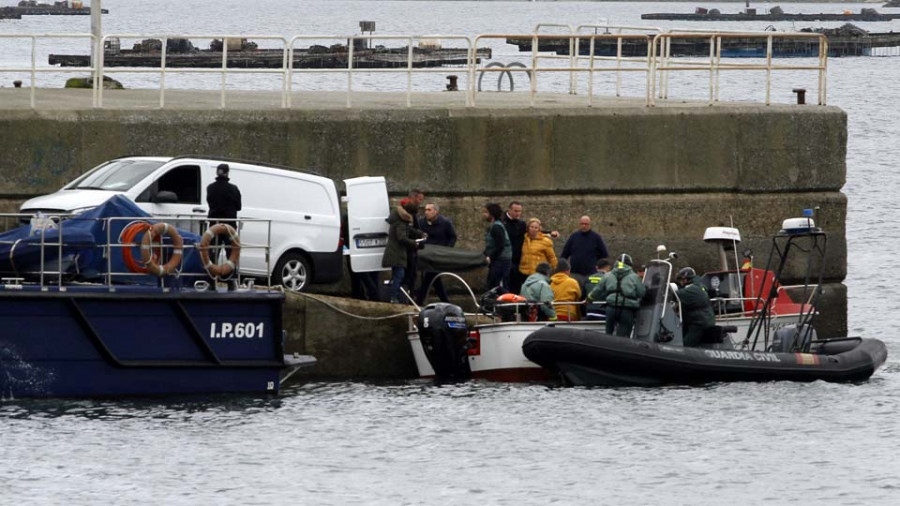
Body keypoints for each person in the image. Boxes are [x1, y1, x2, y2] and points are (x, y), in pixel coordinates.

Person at [206, 163, 242, 287]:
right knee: (230, 253)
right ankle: (231, 281)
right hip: (229, 226)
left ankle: (211, 281)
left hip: (214, 226)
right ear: (227, 173)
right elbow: (239, 207)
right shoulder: (234, 189)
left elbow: (210, 203)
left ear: (217, 173)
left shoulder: (210, 188)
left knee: (212, 253)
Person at [382, 200, 425, 303]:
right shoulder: (401, 222)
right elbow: (402, 238)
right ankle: (394, 297)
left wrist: (419, 233)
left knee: (396, 275)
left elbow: (409, 230)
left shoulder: (399, 219)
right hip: (396, 253)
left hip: (394, 253)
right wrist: (414, 242)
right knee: (399, 275)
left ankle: (393, 296)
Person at [594, 253, 645, 337]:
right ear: (630, 264)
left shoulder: (608, 275)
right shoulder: (635, 277)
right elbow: (641, 293)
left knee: (608, 335)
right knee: (623, 337)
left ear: (616, 263)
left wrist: (588, 300)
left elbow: (597, 290)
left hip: (611, 309)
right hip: (627, 310)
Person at [416, 203, 457, 304]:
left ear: (436, 212)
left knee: (431, 276)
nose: (426, 212)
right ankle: (445, 301)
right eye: (425, 210)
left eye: (429, 210)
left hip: (439, 255)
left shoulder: (445, 223)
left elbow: (453, 237)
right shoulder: (421, 223)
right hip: (426, 255)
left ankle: (420, 299)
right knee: (434, 277)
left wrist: (447, 249)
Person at [675, 267, 715, 347]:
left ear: (686, 279)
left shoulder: (691, 290)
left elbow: (676, 295)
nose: (680, 282)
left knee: (686, 343)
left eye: (681, 280)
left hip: (699, 322)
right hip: (699, 319)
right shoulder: (699, 286)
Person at [482, 202, 512, 293]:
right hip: (498, 261)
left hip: (501, 261)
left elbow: (500, 245)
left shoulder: (496, 227)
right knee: (492, 285)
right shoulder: (494, 226)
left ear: (492, 214)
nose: (484, 215)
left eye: (486, 212)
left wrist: (490, 257)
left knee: (498, 287)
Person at [401, 189, 425, 295]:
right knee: (408, 275)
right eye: (420, 199)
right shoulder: (406, 210)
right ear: (414, 198)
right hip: (408, 248)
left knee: (413, 274)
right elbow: (407, 229)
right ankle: (406, 297)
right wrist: (419, 234)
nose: (420, 202)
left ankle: (409, 295)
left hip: (413, 248)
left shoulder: (412, 210)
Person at [502, 202, 527, 294]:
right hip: (505, 260)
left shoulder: (521, 224)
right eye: (516, 211)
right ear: (509, 210)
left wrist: (549, 233)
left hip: (517, 261)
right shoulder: (502, 223)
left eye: (520, 211)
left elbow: (532, 231)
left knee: (517, 287)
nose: (518, 213)